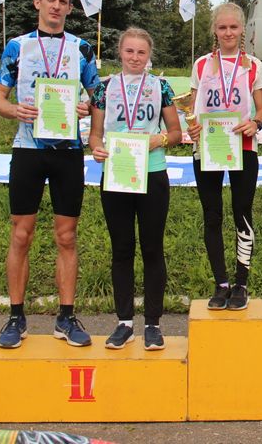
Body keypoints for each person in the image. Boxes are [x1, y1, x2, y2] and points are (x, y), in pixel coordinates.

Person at [0, 0, 100, 349]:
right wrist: (15, 110)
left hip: (68, 152)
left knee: (66, 236)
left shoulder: (81, 48)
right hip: (28, 149)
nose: (56, 6)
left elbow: (98, 96)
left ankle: (66, 317)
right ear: (38, 3)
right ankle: (16, 317)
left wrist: (87, 107)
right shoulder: (17, 47)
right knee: (21, 234)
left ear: (70, 8)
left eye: (63, 1)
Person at [89, 28, 181, 350]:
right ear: (120, 52)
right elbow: (95, 134)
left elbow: (176, 132)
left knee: (152, 249)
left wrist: (159, 139)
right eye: (129, 51)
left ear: (149, 55)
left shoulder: (161, 87)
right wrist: (96, 148)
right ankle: (124, 323)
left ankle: (153, 324)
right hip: (117, 175)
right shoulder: (104, 89)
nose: (135, 57)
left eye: (141, 52)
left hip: (152, 173)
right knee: (122, 249)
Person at [187, 3, 262, 311]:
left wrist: (255, 123)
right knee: (212, 214)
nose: (228, 32)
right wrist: (192, 126)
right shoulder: (201, 65)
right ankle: (221, 283)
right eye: (222, 27)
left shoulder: (254, 65)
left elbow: (261, 111)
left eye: (233, 27)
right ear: (214, 30)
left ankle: (241, 283)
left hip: (243, 146)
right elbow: (192, 109)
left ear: (242, 29)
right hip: (207, 147)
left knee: (242, 212)